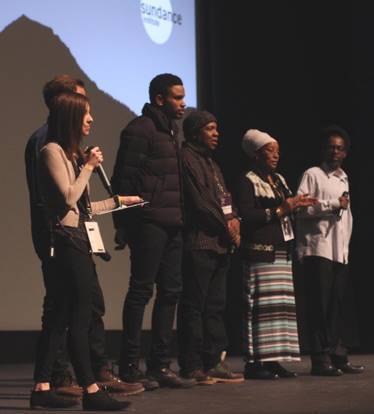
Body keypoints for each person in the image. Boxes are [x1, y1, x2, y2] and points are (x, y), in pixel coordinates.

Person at [25, 75, 144, 399]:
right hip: (64, 241)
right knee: (75, 311)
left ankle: (47, 386)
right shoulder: (49, 149)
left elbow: (84, 207)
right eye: (85, 111)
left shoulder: (70, 153)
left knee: (69, 312)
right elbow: (67, 198)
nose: (91, 118)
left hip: (76, 237)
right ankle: (87, 386)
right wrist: (89, 167)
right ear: (70, 113)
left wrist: (120, 201)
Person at [111, 73, 194, 389]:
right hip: (148, 224)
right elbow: (124, 180)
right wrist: (123, 225)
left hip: (174, 223)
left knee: (171, 292)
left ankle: (160, 364)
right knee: (141, 291)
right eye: (177, 97)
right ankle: (130, 365)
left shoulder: (173, 131)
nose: (183, 103)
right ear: (160, 99)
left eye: (183, 96)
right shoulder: (139, 130)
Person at [237, 129, 316, 380]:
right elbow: (247, 216)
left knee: (279, 310)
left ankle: (273, 361)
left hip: (282, 252)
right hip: (260, 253)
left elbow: (286, 207)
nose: (276, 155)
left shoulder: (278, 179)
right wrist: (281, 209)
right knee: (261, 308)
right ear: (256, 154)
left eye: (277, 151)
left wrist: (296, 205)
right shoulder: (247, 181)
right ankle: (256, 363)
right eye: (270, 151)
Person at [177, 110, 244, 385]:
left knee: (216, 306)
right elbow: (200, 203)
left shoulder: (212, 164)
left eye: (216, 129)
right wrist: (226, 227)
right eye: (210, 129)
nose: (216, 134)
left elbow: (225, 198)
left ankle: (213, 362)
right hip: (200, 242)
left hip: (220, 244)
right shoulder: (186, 158)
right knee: (195, 305)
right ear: (194, 132)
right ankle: (192, 365)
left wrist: (236, 220)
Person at [296, 125, 364, 376]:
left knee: (336, 305)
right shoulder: (312, 174)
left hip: (339, 250)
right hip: (318, 248)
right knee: (319, 305)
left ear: (345, 153)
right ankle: (319, 357)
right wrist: (333, 204)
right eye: (330, 147)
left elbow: (346, 216)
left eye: (339, 148)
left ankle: (337, 354)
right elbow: (301, 208)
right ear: (322, 149)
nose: (334, 151)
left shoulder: (344, 177)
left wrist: (346, 246)